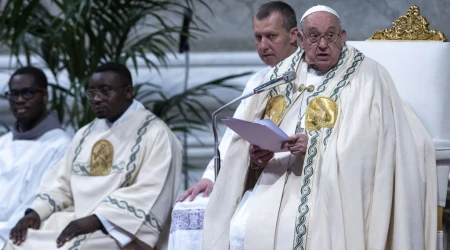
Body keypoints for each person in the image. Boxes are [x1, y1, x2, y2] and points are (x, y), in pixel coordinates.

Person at [203, 5, 436, 250]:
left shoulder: (369, 77)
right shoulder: (282, 75)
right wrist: (256, 158)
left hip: (333, 191)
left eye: (330, 35)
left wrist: (314, 148)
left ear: (342, 37)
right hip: (274, 184)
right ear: (301, 40)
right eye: (314, 36)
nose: (323, 44)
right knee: (242, 227)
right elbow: (250, 140)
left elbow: (372, 145)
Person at [5, 62, 182, 250]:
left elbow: (151, 191)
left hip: (120, 228)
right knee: (19, 242)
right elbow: (60, 184)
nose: (96, 99)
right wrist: (34, 214)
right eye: (92, 92)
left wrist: (98, 219)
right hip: (77, 220)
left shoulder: (156, 134)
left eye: (105, 91)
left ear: (129, 92)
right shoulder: (85, 134)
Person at [169, 2, 300, 249]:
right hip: (255, 173)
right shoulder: (258, 81)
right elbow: (234, 136)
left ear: (294, 35)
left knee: (244, 227)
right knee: (187, 210)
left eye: (271, 36)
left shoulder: (310, 77)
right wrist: (211, 177)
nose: (263, 45)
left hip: (292, 176)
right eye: (258, 37)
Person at [0, 66, 71, 246]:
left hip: (19, 235)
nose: (20, 100)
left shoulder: (60, 145)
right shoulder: (3, 143)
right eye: (14, 94)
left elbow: (38, 201)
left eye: (28, 93)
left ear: (45, 96)